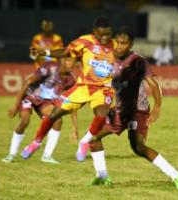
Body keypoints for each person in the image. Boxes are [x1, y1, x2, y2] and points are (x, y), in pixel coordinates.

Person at [84, 27, 178, 190]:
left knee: (138, 147)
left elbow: (153, 85)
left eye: (124, 43)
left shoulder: (137, 61)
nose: (119, 46)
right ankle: (102, 176)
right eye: (117, 42)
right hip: (119, 111)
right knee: (93, 137)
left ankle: (176, 175)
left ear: (131, 45)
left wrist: (157, 107)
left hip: (137, 111)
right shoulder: (107, 58)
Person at [21, 16, 116, 160]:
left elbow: (127, 63)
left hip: (103, 90)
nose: (104, 37)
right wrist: (45, 53)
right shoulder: (84, 41)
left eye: (107, 34)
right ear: (94, 31)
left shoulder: (116, 46)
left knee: (101, 115)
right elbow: (65, 52)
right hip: (83, 87)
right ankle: (36, 142)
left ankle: (85, 141)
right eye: (101, 34)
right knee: (53, 115)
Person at [2, 57, 78, 164]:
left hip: (45, 102)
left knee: (57, 120)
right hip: (30, 96)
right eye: (69, 61)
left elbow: (73, 102)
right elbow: (28, 82)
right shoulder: (50, 67)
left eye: (74, 63)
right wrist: (16, 105)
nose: (71, 64)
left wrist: (75, 128)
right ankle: (11, 154)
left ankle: (47, 156)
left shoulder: (71, 80)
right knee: (24, 121)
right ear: (62, 61)